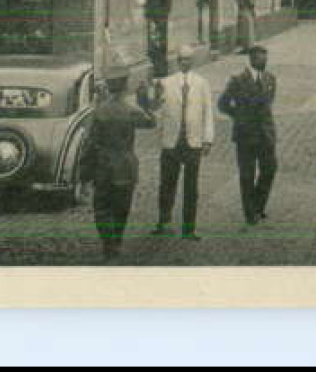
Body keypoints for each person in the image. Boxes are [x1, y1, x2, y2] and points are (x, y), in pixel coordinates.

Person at [82, 66, 156, 262]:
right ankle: (117, 241)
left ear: (108, 85)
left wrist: (85, 170)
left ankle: (108, 246)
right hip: (125, 165)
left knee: (102, 207)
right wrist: (145, 101)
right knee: (121, 207)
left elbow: (90, 141)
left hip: (103, 165)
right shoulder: (132, 111)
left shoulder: (99, 111)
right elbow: (151, 123)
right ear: (125, 85)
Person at [148, 44, 214, 241]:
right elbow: (156, 109)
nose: (185, 62)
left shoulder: (202, 84)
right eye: (182, 59)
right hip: (171, 141)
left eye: (188, 59)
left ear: (192, 61)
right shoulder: (167, 83)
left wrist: (208, 139)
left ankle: (189, 228)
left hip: (193, 141)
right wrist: (153, 95)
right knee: (167, 184)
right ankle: (163, 221)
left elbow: (208, 112)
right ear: (177, 62)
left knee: (191, 187)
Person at [217, 45, 277, 226]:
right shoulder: (238, 80)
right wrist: (238, 116)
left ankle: (258, 205)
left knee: (270, 169)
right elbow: (222, 104)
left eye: (265, 57)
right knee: (247, 175)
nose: (264, 61)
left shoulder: (270, 78)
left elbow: (269, 103)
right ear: (251, 59)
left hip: (266, 134)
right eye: (260, 57)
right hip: (246, 135)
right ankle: (250, 213)